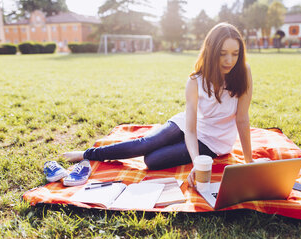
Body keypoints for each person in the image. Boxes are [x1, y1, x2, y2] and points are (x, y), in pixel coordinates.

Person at [63, 22, 253, 187]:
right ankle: (87, 154)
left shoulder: (243, 73)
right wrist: (196, 160)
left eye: (235, 54)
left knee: (152, 160)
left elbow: (242, 119)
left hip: (213, 141)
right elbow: (191, 127)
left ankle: (176, 145)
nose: (230, 60)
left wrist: (248, 161)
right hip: (188, 125)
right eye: (223, 54)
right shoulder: (196, 80)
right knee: (146, 143)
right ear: (211, 52)